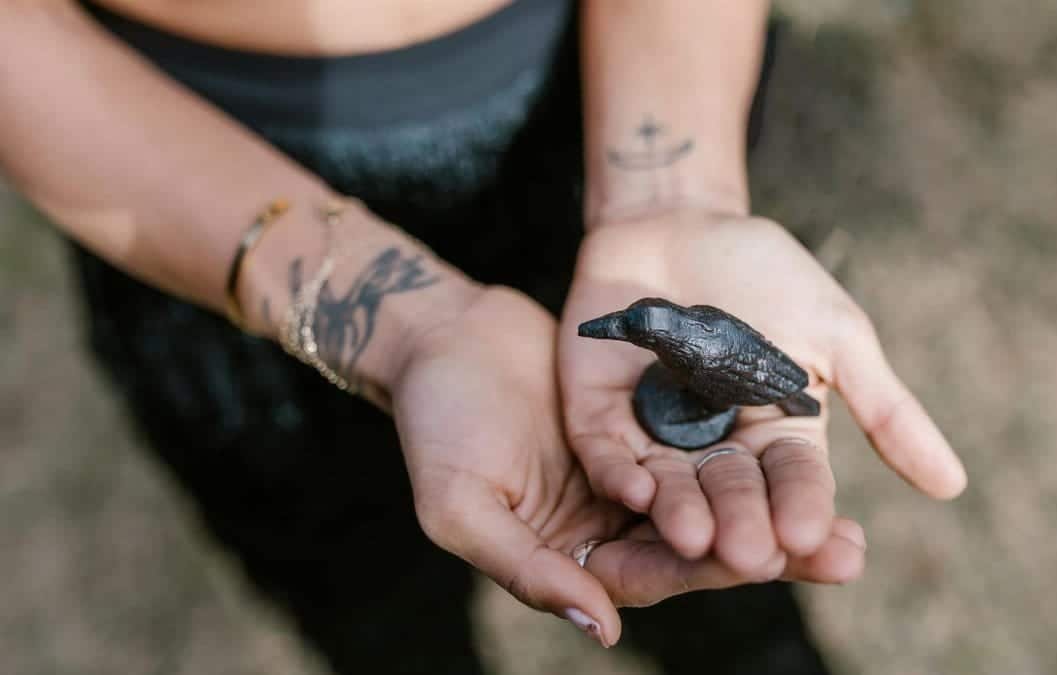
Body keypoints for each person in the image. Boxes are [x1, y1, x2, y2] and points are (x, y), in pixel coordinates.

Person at [0, 1, 967, 673]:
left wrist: (671, 191)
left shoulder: (682, 330)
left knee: (715, 567)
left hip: (591, 120)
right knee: (370, 597)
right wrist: (396, 320)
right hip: (198, 203)